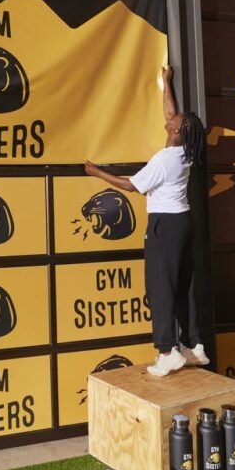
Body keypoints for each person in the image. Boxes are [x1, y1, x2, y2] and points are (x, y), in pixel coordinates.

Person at [85, 65, 208, 377]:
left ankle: (167, 352)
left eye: (176, 121)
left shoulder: (164, 160)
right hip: (182, 223)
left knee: (160, 288)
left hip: (164, 226)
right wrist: (166, 82)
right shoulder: (186, 151)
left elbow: (131, 186)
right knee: (183, 285)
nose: (171, 118)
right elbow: (171, 113)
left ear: (176, 132)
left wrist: (96, 172)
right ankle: (194, 345)